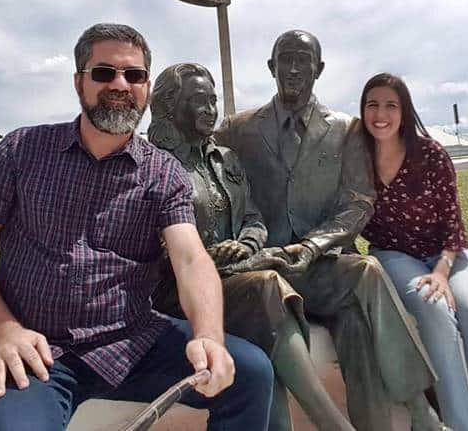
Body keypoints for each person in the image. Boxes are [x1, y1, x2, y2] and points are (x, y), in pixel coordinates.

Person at [0, 23, 273, 431]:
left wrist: (208, 335)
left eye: (133, 75)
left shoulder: (162, 171)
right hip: (37, 350)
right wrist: (3, 331)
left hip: (134, 341)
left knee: (251, 372)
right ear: (79, 81)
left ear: (147, 87)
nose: (120, 84)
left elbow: (190, 258)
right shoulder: (21, 151)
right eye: (104, 72)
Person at [216, 30, 444, 431]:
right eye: (284, 59)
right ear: (271, 67)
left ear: (318, 69)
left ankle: (410, 411)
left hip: (320, 266)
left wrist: (313, 244)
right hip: (264, 271)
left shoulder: (346, 129)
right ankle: (419, 410)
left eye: (303, 60)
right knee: (362, 291)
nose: (293, 68)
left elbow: (358, 201)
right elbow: (197, 161)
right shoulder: (238, 128)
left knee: (360, 296)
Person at [148, 63, 354, 431]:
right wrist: (208, 257)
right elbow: (150, 245)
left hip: (236, 278)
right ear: (169, 106)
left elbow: (253, 218)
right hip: (181, 292)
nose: (210, 109)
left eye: (213, 101)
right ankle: (332, 423)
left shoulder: (226, 159)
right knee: (266, 285)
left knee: (262, 320)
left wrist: (245, 245)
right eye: (199, 101)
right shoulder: (154, 166)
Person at [358, 72, 468, 431]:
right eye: (372, 105)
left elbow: (454, 224)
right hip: (394, 256)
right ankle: (463, 425)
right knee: (435, 311)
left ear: (405, 111)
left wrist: (443, 270)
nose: (380, 114)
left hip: (450, 254)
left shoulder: (429, 153)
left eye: (390, 105)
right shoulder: (356, 159)